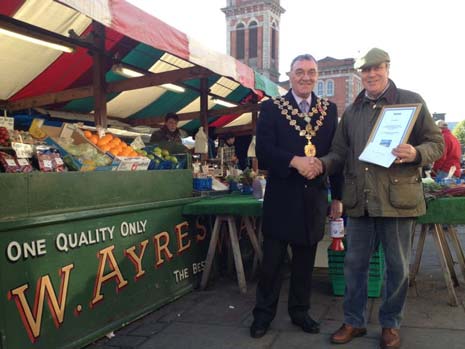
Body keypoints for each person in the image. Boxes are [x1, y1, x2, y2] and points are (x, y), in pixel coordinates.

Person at [310, 48, 444, 348]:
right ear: (360, 74)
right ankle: (353, 321)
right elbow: (340, 152)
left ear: (387, 68)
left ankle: (390, 324)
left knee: (397, 267)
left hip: (397, 200)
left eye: (376, 68)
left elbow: (436, 143)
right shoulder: (353, 111)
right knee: (354, 265)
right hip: (361, 201)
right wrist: (321, 163)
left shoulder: (411, 101)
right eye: (365, 70)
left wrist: (417, 153)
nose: (371, 74)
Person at [250, 54, 343, 338]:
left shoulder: (329, 110)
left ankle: (300, 312)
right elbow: (264, 151)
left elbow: (337, 156)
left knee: (305, 263)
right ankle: (263, 315)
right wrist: (295, 161)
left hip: (314, 198)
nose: (306, 77)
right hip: (281, 197)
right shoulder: (271, 108)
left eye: (311, 72)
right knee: (272, 263)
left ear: (317, 76)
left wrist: (337, 197)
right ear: (290, 75)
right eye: (300, 72)